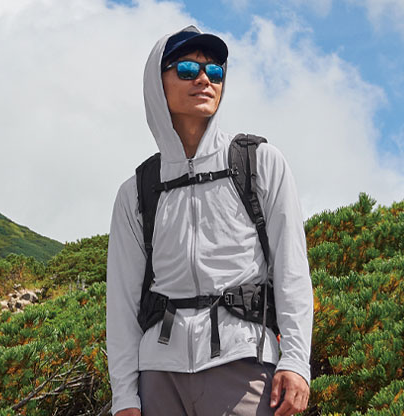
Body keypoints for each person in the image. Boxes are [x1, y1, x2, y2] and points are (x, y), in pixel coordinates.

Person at [106, 25, 313, 416]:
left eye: (214, 71)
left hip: (244, 364)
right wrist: (125, 397)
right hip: (159, 374)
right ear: (156, 83)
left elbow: (292, 270)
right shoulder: (136, 191)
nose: (204, 79)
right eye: (187, 69)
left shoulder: (260, 163)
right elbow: (121, 304)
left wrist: (296, 360)